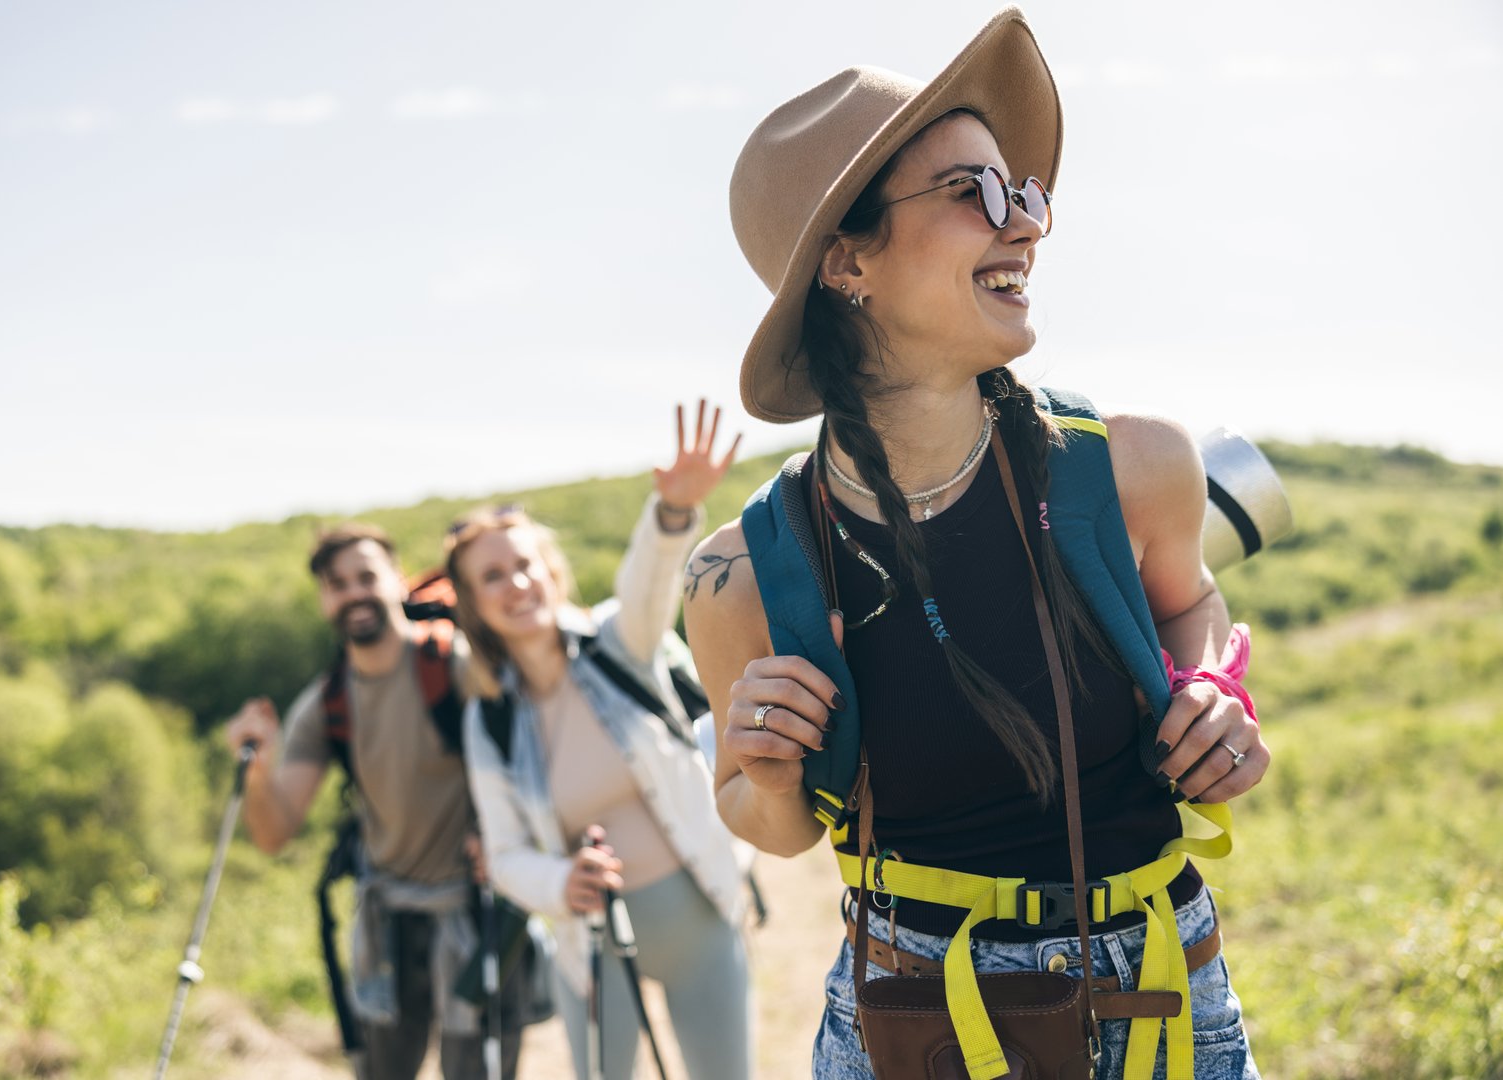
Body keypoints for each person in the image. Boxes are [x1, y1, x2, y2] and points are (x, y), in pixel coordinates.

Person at [685, 9, 1268, 1080]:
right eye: (975, 193)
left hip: (1161, 993)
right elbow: (766, 823)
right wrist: (767, 773)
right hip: (912, 1014)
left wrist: (1207, 695)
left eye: (1027, 191)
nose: (1027, 224)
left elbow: (1189, 605)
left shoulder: (1134, 463)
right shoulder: (743, 572)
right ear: (845, 261)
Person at [447, 401, 755, 1080]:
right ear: (474, 604)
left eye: (523, 565)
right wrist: (562, 881)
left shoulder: (619, 646)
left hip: (699, 920)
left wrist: (670, 513)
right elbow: (503, 856)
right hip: (588, 949)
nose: (515, 584)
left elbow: (646, 585)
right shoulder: (489, 720)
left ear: (550, 571)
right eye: (491, 577)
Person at [224, 524, 543, 1080]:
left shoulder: (457, 665)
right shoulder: (327, 702)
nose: (354, 594)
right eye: (337, 584)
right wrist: (257, 775)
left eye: (367, 577)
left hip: (479, 909)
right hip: (389, 919)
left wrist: (507, 833)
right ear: (324, 598)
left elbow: (537, 751)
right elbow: (275, 834)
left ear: (396, 580)